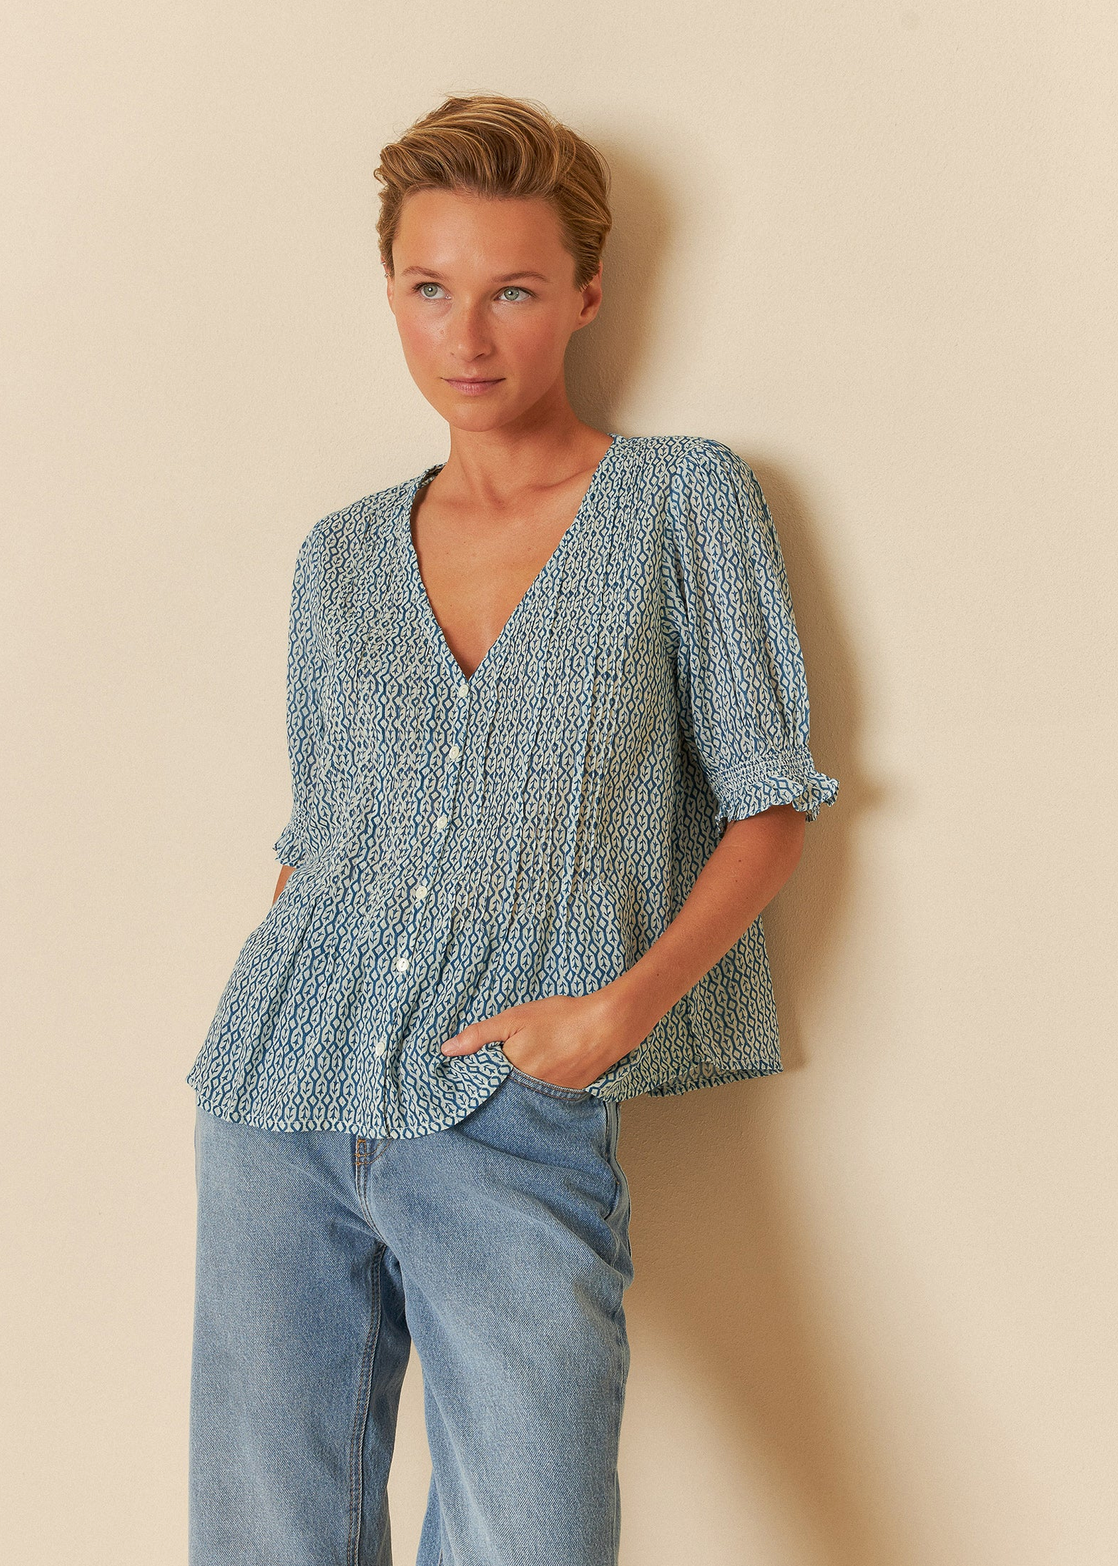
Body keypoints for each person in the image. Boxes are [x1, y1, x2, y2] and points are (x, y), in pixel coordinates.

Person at [185, 92, 839, 1566]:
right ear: (393, 294)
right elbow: (317, 830)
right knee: (265, 1539)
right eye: (429, 289)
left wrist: (610, 1017)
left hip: (511, 1102)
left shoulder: (679, 500)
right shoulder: (341, 554)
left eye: (512, 291)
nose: (464, 335)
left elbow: (769, 800)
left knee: (531, 1538)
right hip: (275, 1095)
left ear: (585, 297)